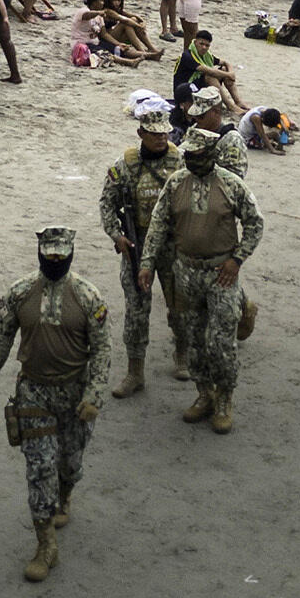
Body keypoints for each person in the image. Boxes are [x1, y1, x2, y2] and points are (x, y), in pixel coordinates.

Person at [0, 226, 113, 582]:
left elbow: (102, 350)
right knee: (39, 469)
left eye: (60, 256)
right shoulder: (20, 293)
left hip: (75, 394)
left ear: (70, 255)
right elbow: (0, 339)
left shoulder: (88, 297)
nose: (53, 260)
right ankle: (45, 545)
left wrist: (94, 395)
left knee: (70, 461)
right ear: (38, 253)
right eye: (48, 254)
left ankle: (65, 495)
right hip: (34, 392)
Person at [138, 128, 265, 433]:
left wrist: (237, 260)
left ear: (210, 154)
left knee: (221, 342)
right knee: (193, 338)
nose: (189, 159)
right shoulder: (177, 182)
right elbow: (158, 222)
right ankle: (204, 394)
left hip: (221, 274)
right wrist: (147, 262)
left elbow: (255, 223)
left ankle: (224, 399)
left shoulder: (231, 185)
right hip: (186, 271)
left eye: (196, 154)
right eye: (188, 154)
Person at [99, 108, 186, 397]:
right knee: (137, 309)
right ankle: (135, 372)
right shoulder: (125, 164)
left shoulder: (180, 160)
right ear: (141, 134)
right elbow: (107, 204)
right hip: (137, 244)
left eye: (165, 132)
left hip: (172, 245)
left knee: (180, 304)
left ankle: (183, 355)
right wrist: (117, 235)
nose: (162, 138)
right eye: (155, 133)